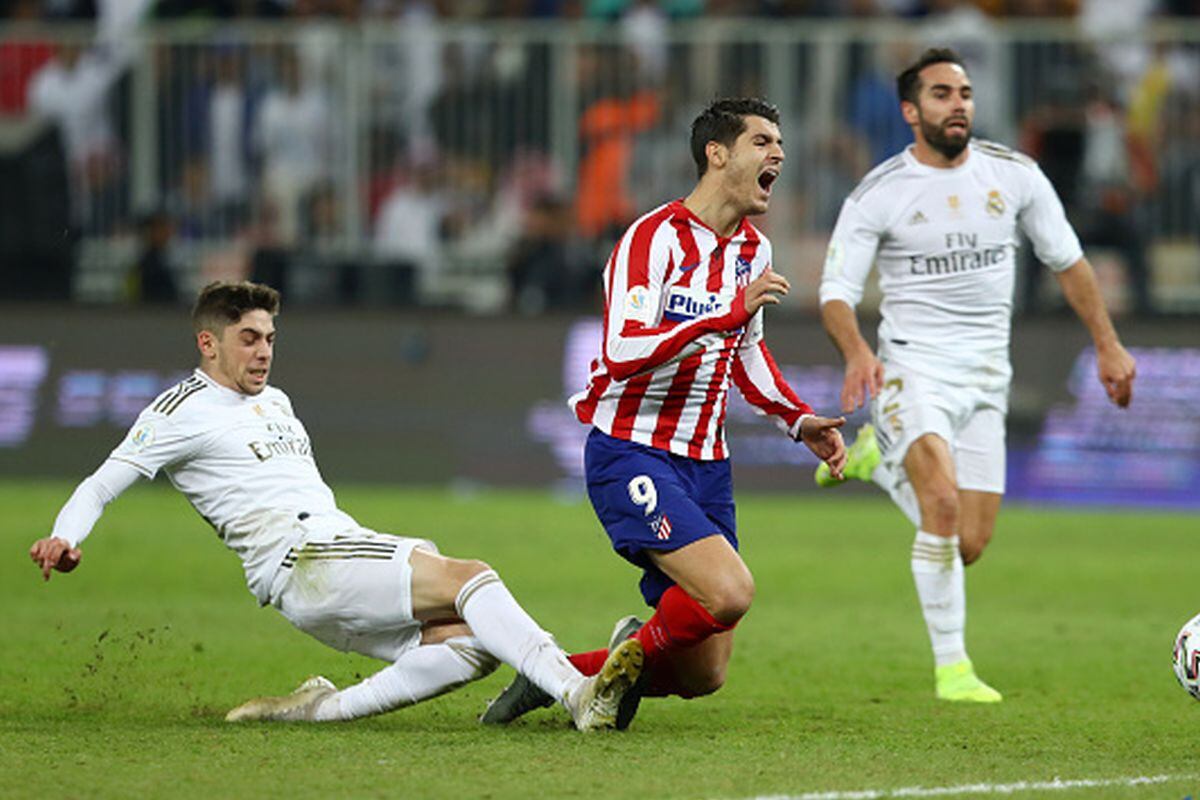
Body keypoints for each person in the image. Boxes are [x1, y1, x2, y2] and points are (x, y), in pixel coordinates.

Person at [29, 280, 642, 730]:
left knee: (473, 643)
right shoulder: (179, 410)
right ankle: (576, 692)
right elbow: (102, 481)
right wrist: (64, 535)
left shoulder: (278, 401)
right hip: (303, 558)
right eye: (248, 339)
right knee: (472, 577)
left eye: (270, 337)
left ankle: (317, 710)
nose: (264, 351)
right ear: (208, 344)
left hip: (329, 558)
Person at [481, 97, 848, 728]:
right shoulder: (651, 239)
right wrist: (722, 315)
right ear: (717, 153)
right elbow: (622, 351)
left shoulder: (752, 252)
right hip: (633, 449)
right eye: (762, 142)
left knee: (703, 674)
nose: (778, 154)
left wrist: (797, 419)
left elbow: (747, 351)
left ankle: (557, 674)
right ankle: (597, 679)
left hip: (708, 464)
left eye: (779, 144)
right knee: (731, 593)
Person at [815, 48, 1137, 703]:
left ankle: (877, 461)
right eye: (940, 94)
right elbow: (835, 292)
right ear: (911, 111)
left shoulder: (1014, 175)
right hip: (912, 369)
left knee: (967, 542)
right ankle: (953, 669)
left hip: (987, 376)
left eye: (963, 92)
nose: (957, 103)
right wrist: (856, 352)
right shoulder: (880, 192)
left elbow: (1069, 263)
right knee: (939, 505)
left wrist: (1108, 345)